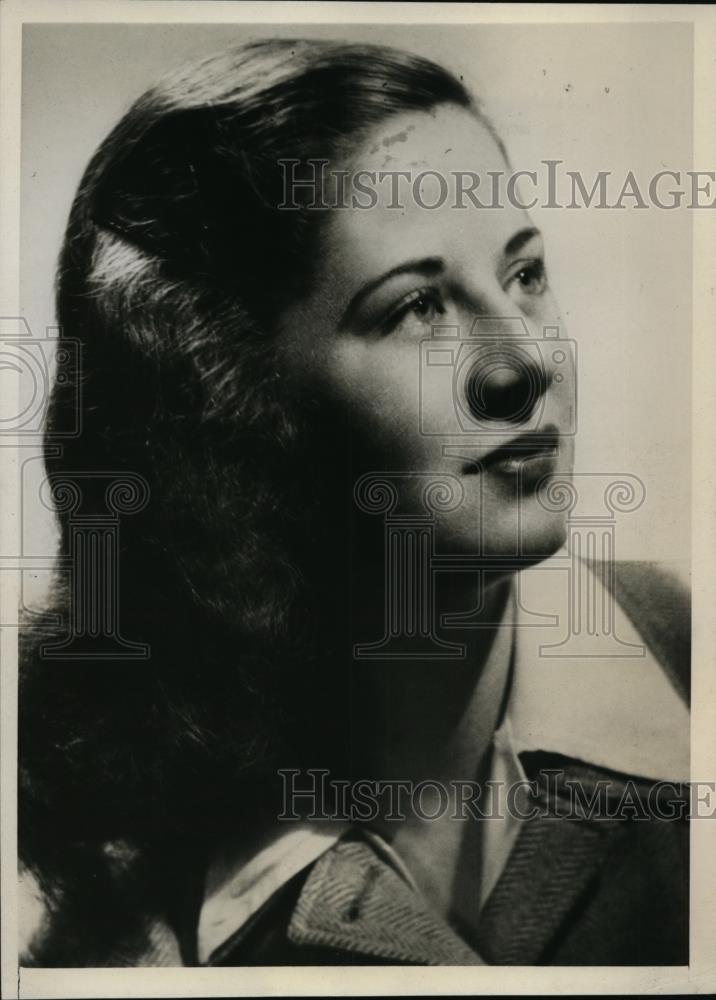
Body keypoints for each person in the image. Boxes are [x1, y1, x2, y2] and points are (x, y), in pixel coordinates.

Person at [19, 38, 689, 967]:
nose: (524, 360)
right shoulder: (123, 924)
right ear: (232, 401)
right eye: (418, 307)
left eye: (524, 274)